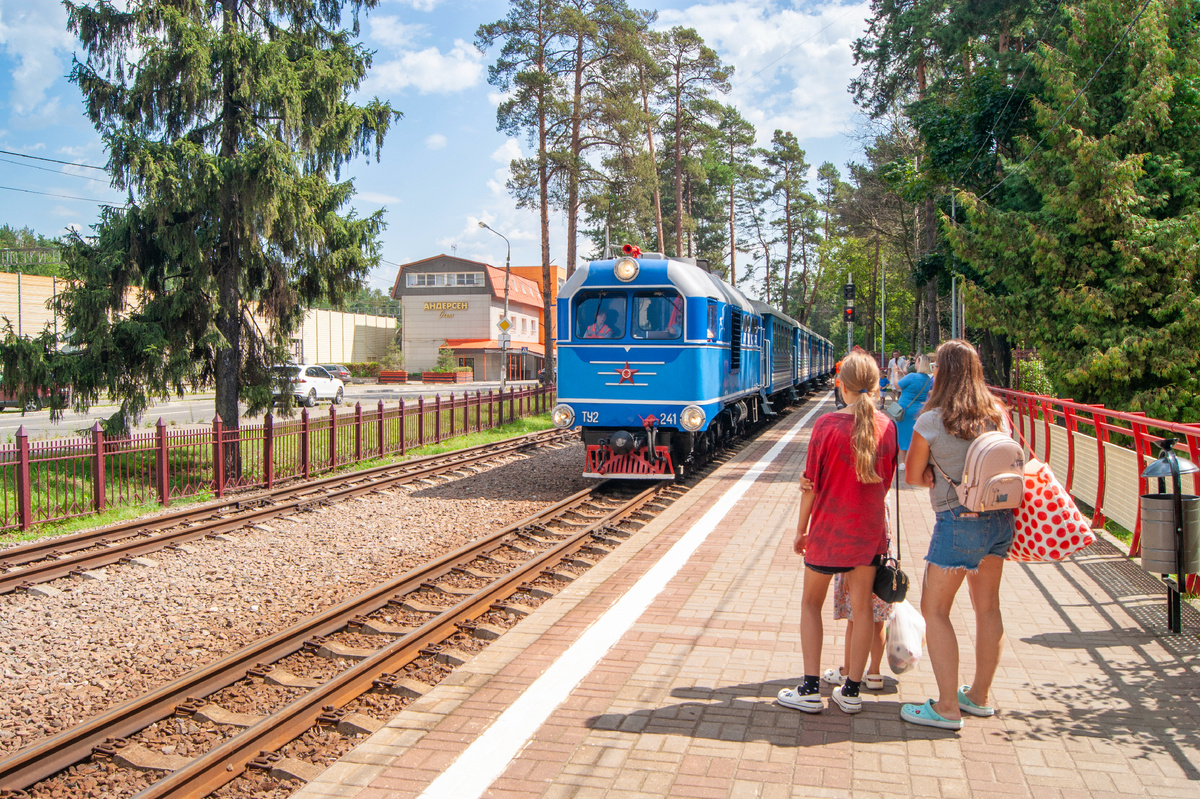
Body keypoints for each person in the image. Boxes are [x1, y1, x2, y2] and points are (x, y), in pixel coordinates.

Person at [900, 339, 1013, 730]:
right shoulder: (998, 413)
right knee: (988, 608)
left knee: (935, 611)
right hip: (1000, 520)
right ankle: (978, 698)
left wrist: (931, 472)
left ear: (940, 373)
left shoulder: (932, 420)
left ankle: (947, 706)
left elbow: (913, 476)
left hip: (956, 521)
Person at [777, 349, 898, 715]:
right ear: (876, 387)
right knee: (863, 610)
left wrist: (801, 531)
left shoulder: (827, 426)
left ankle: (810, 689)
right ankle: (852, 691)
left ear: (841, 387)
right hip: (868, 533)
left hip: (828, 531)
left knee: (810, 604)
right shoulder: (888, 427)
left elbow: (811, 484)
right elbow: (886, 483)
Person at [894, 354, 933, 470]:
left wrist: (896, 373)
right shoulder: (927, 379)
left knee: (902, 434)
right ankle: (914, 461)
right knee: (914, 435)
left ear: (919, 364)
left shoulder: (912, 376)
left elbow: (897, 385)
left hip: (905, 409)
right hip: (918, 410)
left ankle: (902, 462)